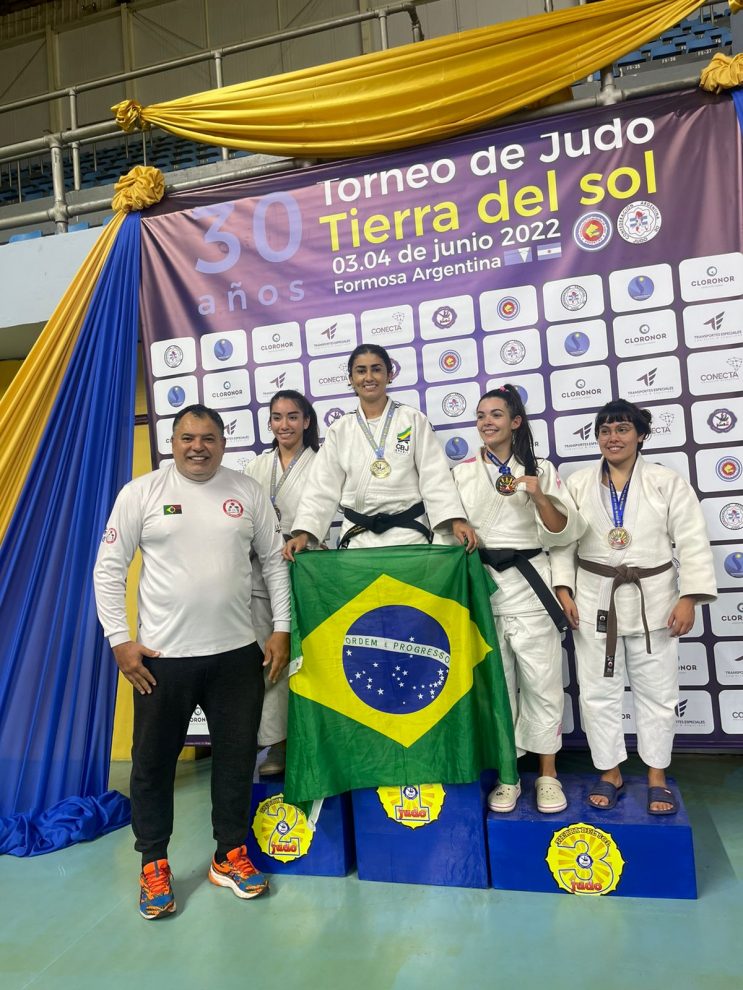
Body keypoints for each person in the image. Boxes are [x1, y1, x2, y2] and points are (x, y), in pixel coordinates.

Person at [93, 404, 290, 919]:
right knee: (152, 764)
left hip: (236, 655)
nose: (197, 447)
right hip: (162, 660)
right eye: (187, 438)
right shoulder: (141, 493)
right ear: (172, 442)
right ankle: (154, 864)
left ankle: (229, 855)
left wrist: (281, 628)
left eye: (208, 438)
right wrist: (120, 640)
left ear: (223, 442)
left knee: (236, 759)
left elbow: (274, 562)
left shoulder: (246, 491)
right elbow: (108, 569)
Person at [551, 400, 716, 814]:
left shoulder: (665, 482)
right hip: (595, 598)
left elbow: (692, 541)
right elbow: (564, 541)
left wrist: (689, 597)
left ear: (640, 435)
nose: (613, 438)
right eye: (605, 431)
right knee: (597, 693)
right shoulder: (578, 484)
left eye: (622, 429)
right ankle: (610, 771)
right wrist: (564, 589)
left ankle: (657, 774)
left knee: (658, 692)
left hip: (654, 601)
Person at [452, 385, 585, 815]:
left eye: (496, 414)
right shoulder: (461, 473)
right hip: (484, 586)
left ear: (515, 422)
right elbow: (447, 530)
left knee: (543, 683)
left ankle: (548, 774)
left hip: (530, 586)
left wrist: (539, 495)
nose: (486, 422)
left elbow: (564, 534)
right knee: (499, 686)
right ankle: (508, 775)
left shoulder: (540, 469)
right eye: (480, 416)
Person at [283, 344, 477, 557]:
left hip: (409, 536)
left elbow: (435, 477)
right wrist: (305, 533)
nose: (368, 377)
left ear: (389, 375)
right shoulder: (340, 429)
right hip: (358, 539)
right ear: (351, 379)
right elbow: (322, 487)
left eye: (376, 369)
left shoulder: (412, 420)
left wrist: (455, 520)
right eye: (361, 371)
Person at [245, 390, 320, 776]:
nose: (284, 425)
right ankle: (277, 744)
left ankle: (315, 740)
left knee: (309, 659)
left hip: (306, 570)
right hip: (262, 572)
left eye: (292, 417)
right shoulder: (256, 467)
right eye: (277, 417)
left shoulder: (322, 464)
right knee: (270, 660)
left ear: (306, 421)